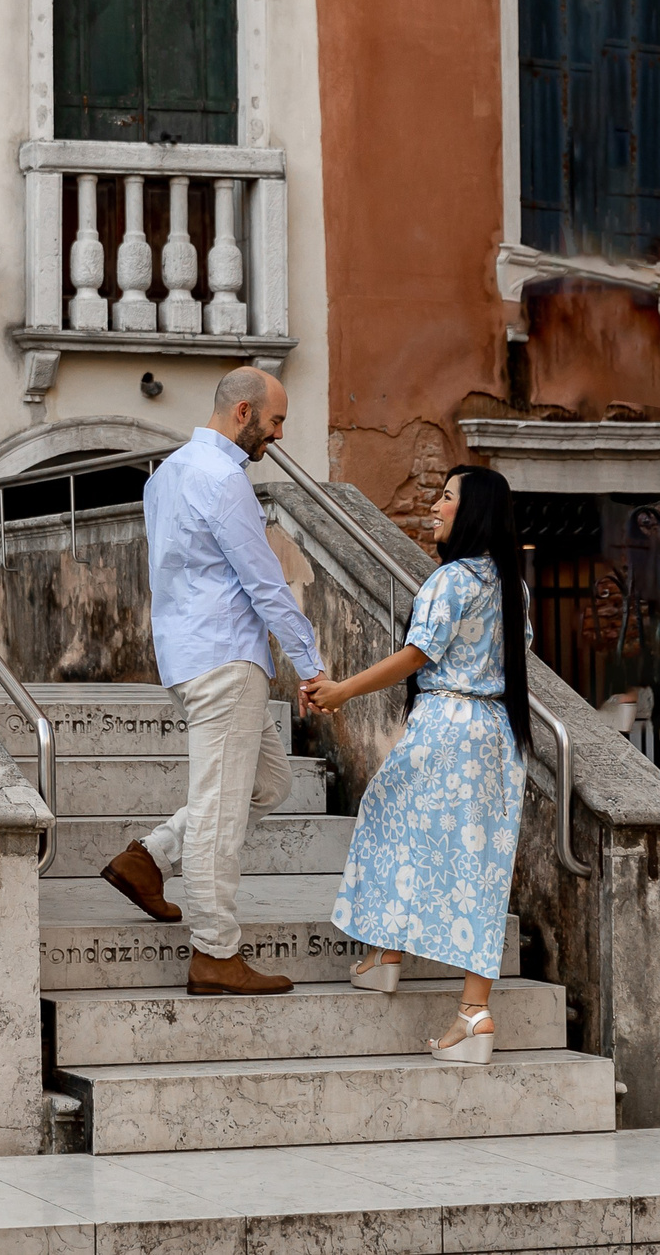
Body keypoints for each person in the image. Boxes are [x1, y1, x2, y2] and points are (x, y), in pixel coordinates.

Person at [99, 366, 328, 996]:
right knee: (222, 814)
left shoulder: (166, 474)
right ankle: (214, 953)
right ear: (244, 413)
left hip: (188, 653)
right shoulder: (224, 479)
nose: (279, 435)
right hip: (224, 658)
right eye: (276, 421)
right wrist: (312, 667)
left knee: (270, 783)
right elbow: (265, 585)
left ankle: (149, 858)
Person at [300, 465, 531, 1063]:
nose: (435, 505)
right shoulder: (513, 585)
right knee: (479, 864)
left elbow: (416, 654)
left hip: (446, 723)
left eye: (447, 498)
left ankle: (384, 955)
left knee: (383, 816)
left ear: (472, 511)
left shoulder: (451, 580)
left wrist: (343, 689)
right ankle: (471, 1012)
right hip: (495, 734)